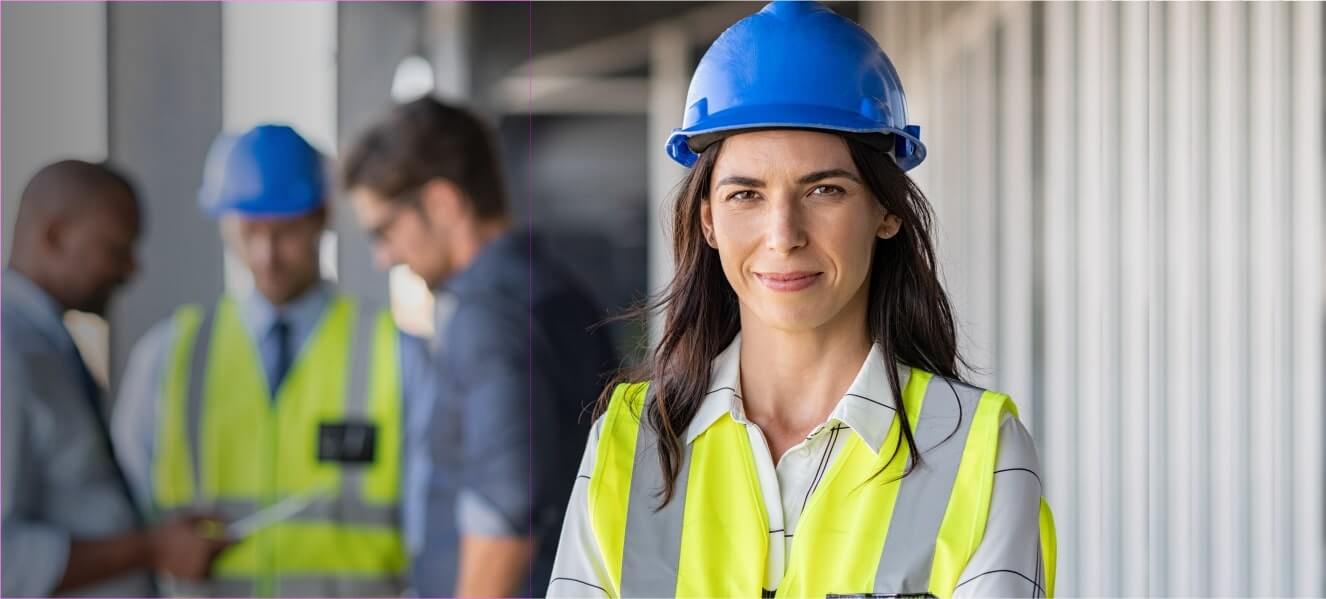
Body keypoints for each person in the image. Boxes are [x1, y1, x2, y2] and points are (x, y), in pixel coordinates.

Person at [548, 2, 1057, 598]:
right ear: (707, 220)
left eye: (824, 190)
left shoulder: (980, 451)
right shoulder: (629, 443)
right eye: (746, 195)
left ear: (886, 209)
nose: (783, 235)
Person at [112, 125, 440, 597]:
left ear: (321, 218)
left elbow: (431, 536)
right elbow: (128, 528)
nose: (266, 256)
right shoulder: (169, 358)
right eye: (249, 232)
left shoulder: (396, 355)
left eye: (286, 232)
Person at [340, 97, 617, 597]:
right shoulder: (557, 291)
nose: (384, 258)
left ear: (443, 203)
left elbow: (506, 510)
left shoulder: (489, 315)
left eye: (385, 230)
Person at [3, 160, 229, 596]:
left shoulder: (44, 344)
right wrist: (148, 548)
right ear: (54, 236)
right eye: (116, 250)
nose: (130, 270)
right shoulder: (10, 354)